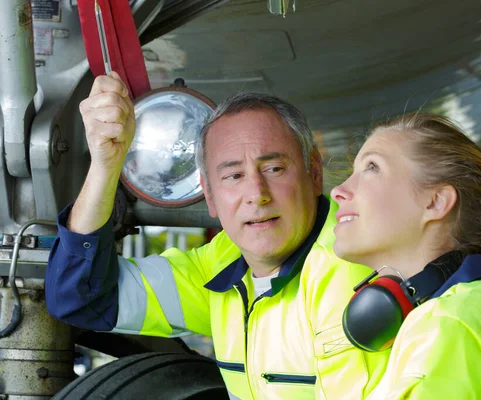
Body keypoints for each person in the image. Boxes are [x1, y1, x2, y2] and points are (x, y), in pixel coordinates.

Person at [45, 73, 390, 399]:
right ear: (209, 196)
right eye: (233, 176)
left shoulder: (364, 266)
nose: (257, 193)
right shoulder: (221, 265)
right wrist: (106, 165)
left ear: (315, 174)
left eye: (274, 169)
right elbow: (80, 297)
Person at [330, 113, 481, 399]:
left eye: (372, 167)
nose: (338, 191)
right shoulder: (477, 305)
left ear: (436, 202)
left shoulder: (447, 326)